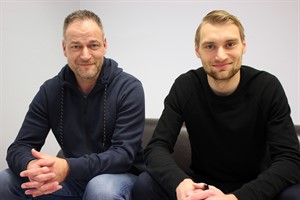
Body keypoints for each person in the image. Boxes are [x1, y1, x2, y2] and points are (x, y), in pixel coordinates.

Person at [133, 10, 300, 200]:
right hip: (202, 187)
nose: (220, 56)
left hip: (255, 189)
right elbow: (156, 147)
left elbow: (289, 160)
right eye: (210, 46)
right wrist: (181, 183)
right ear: (197, 50)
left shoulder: (267, 87)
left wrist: (234, 198)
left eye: (230, 44)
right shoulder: (185, 86)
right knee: (144, 185)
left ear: (243, 46)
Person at [0, 9, 145, 200]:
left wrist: (68, 167)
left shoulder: (129, 88)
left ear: (104, 45)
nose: (85, 55)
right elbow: (20, 146)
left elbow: (122, 156)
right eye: (76, 46)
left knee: (100, 189)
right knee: (6, 180)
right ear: (64, 48)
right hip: (74, 178)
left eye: (93, 45)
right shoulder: (50, 91)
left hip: (120, 177)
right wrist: (31, 166)